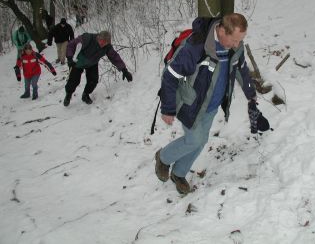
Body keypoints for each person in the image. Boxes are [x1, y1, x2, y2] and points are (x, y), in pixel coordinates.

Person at [155, 13, 257, 194]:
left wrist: (250, 93)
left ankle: (178, 173)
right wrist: (168, 108)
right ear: (222, 31)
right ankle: (163, 157)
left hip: (212, 105)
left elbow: (241, 69)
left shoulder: (235, 47)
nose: (237, 44)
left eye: (240, 40)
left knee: (201, 141)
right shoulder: (197, 46)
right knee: (194, 140)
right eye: (234, 40)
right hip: (191, 103)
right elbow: (170, 75)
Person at [63, 30, 133, 106]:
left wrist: (124, 70)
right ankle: (68, 95)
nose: (103, 44)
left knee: (93, 80)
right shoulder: (87, 38)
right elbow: (71, 45)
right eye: (101, 41)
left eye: (105, 42)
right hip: (78, 62)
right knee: (74, 81)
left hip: (92, 63)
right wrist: (69, 58)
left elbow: (114, 57)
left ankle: (85, 94)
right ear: (98, 38)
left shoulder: (107, 47)